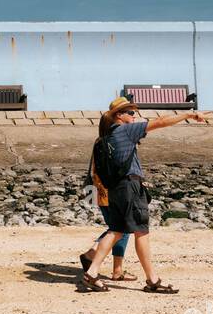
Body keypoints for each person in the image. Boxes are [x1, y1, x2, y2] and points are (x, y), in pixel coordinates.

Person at [81, 96, 206, 294]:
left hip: (115, 189)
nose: (134, 115)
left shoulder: (106, 136)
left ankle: (93, 272)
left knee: (117, 230)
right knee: (140, 231)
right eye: (130, 112)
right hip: (130, 187)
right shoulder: (126, 131)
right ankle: (152, 279)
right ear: (119, 116)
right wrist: (189, 114)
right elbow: (160, 122)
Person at [80, 152, 134, 280]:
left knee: (117, 228)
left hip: (98, 190)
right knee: (122, 227)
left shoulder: (101, 139)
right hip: (112, 191)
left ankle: (96, 255)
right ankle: (115, 269)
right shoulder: (120, 139)